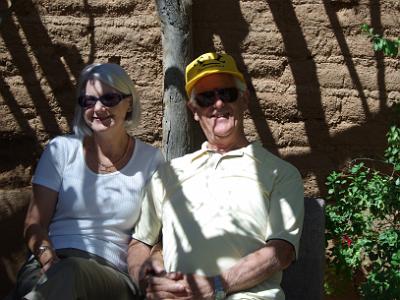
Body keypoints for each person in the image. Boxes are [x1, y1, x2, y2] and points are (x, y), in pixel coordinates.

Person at [128, 52, 304, 300]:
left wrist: (217, 286)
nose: (218, 104)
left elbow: (281, 250)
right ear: (194, 109)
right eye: (206, 97)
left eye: (227, 93)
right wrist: (147, 281)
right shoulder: (168, 174)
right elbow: (140, 243)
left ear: (243, 99)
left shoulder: (280, 173)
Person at [12, 63, 164, 300]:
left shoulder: (150, 160)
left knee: (72, 273)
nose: (98, 108)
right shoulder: (61, 149)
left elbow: (145, 238)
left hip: (108, 274)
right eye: (89, 101)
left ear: (129, 103)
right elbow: (34, 223)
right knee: (64, 275)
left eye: (109, 98)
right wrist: (49, 260)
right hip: (48, 262)